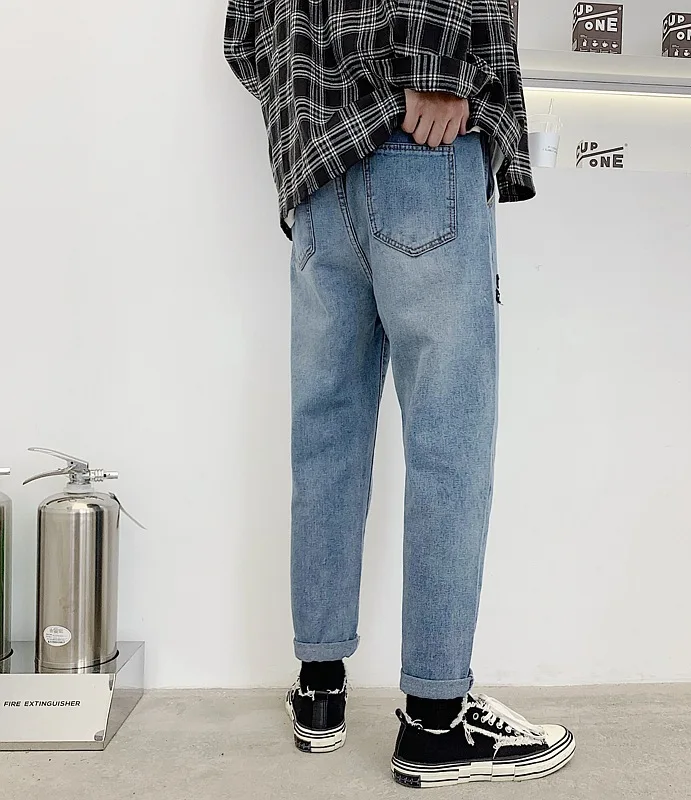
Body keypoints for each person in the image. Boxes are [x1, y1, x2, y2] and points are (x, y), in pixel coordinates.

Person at [224, 0, 575, 787]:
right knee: (449, 444)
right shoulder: (428, 88)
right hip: (421, 146)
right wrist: (434, 70)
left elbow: (243, 34)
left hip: (316, 176)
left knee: (327, 438)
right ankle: (435, 723)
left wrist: (309, 107)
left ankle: (319, 689)